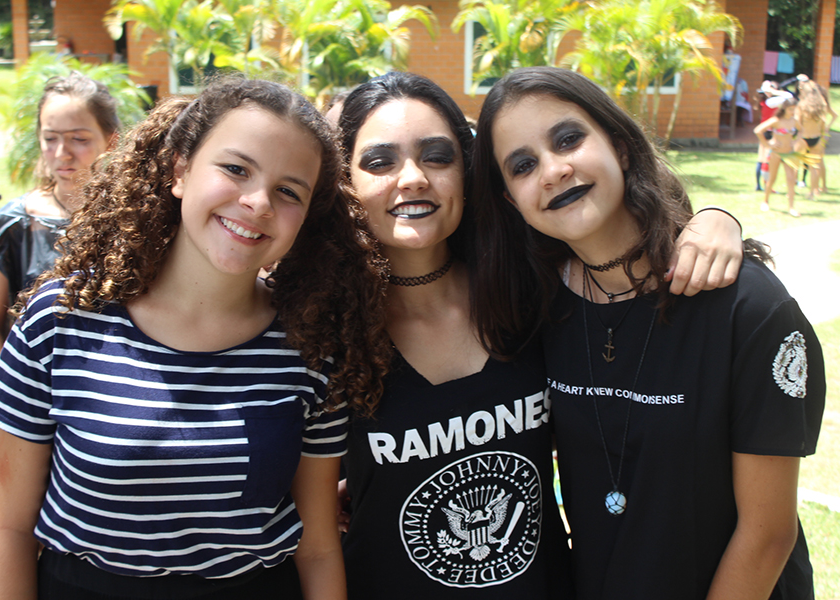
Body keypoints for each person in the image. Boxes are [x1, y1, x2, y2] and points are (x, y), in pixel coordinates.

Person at [336, 72, 744, 600]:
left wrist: (717, 217)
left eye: (437, 156)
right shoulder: (322, 327)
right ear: (344, 183)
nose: (413, 178)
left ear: (469, 174)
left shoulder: (530, 291)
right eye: (379, 162)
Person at [0, 76, 388, 599]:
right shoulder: (61, 320)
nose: (258, 202)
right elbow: (10, 529)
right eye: (236, 169)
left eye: (289, 191)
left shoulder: (311, 347)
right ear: (179, 169)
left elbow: (318, 548)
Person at [471, 66, 825, 600]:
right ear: (509, 199)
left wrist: (718, 215)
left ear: (620, 146)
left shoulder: (747, 307)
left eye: (568, 140)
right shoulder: (533, 308)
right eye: (523, 165)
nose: (553, 171)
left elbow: (767, 536)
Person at [0, 73, 119, 378]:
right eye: (50, 139)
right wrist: (8, 386)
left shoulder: (132, 218)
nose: (62, 153)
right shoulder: (14, 223)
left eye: (79, 139)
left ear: (111, 141)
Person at [755, 97, 801, 217]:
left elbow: (801, 131)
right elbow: (758, 130)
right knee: (772, 179)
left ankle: (791, 208)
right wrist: (767, 144)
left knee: (791, 179)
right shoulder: (776, 120)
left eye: (794, 109)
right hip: (776, 153)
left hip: (789, 153)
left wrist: (796, 141)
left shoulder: (794, 121)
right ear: (784, 108)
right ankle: (765, 201)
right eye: (790, 109)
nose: (792, 111)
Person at [795, 78, 832, 198]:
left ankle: (792, 190)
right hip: (817, 138)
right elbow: (823, 124)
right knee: (814, 167)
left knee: (795, 164)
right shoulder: (822, 105)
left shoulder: (802, 105)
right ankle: (813, 192)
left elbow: (797, 122)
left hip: (804, 137)